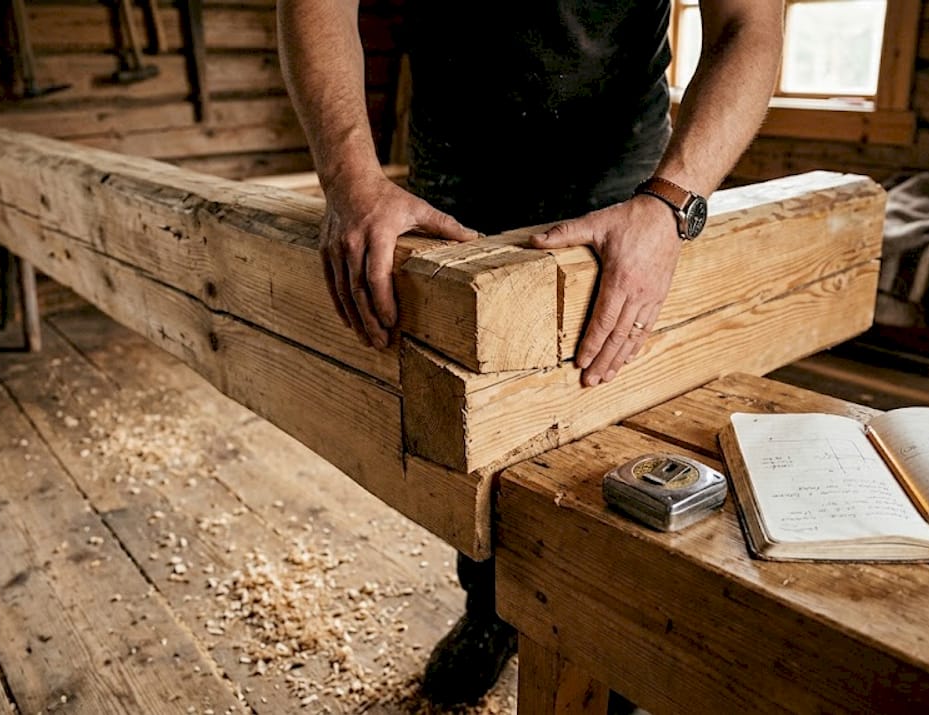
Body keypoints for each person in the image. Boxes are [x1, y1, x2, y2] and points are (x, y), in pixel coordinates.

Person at [279, 0, 782, 706]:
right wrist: (349, 180)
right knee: (476, 428)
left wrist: (672, 202)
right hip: (455, 179)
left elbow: (750, 24)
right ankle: (490, 608)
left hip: (628, 188)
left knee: (617, 428)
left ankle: (618, 640)